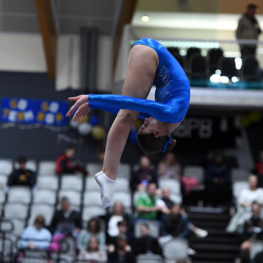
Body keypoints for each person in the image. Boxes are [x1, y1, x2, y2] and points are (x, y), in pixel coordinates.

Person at [66, 38, 190, 208]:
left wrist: (93, 104)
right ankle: (109, 176)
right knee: (128, 115)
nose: (144, 121)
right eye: (145, 126)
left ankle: (108, 174)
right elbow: (129, 104)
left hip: (149, 54)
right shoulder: (170, 112)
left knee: (128, 115)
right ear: (157, 133)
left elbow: (125, 108)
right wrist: (91, 98)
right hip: (150, 53)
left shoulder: (166, 118)